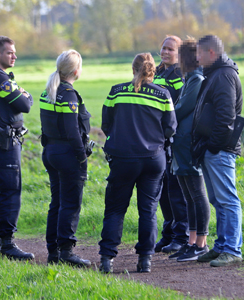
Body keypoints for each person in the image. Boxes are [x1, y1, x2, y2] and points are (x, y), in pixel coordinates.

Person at [98, 53, 177, 273]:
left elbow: (106, 124)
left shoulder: (116, 91)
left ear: (133, 69)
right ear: (153, 71)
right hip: (153, 159)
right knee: (148, 210)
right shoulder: (163, 94)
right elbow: (171, 127)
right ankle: (145, 260)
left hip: (122, 159)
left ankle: (106, 258)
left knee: (114, 209)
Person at [0, 36, 34, 260]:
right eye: (10, 52)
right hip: (5, 141)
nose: (15, 56)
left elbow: (21, 99)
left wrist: (19, 91)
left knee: (1, 190)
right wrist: (22, 91)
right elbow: (25, 104)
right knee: (10, 190)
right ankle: (7, 245)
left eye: (14, 52)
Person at [192, 35, 244, 267]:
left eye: (199, 53)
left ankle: (232, 249)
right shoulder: (215, 73)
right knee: (218, 200)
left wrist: (212, 145)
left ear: (211, 53)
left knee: (227, 199)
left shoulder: (223, 76)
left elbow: (226, 118)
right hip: (212, 148)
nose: (196, 57)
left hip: (220, 149)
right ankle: (221, 246)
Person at [40, 50, 92, 268]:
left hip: (50, 152)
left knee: (57, 202)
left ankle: (53, 250)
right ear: (76, 70)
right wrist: (82, 156)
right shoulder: (69, 94)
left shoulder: (48, 92)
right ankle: (67, 252)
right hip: (67, 155)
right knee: (70, 204)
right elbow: (72, 131)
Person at [168, 38, 210, 262]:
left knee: (196, 193)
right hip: (181, 145)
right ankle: (191, 241)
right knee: (188, 195)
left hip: (188, 144)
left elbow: (182, 108)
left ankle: (201, 243)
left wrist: (167, 115)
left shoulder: (197, 80)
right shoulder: (190, 80)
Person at [153, 35, 189, 254]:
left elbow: (179, 105)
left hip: (173, 138)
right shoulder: (158, 72)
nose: (165, 52)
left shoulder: (178, 74)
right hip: (157, 139)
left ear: (179, 54)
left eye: (170, 49)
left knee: (176, 190)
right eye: (163, 48)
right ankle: (168, 234)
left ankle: (181, 236)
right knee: (163, 190)